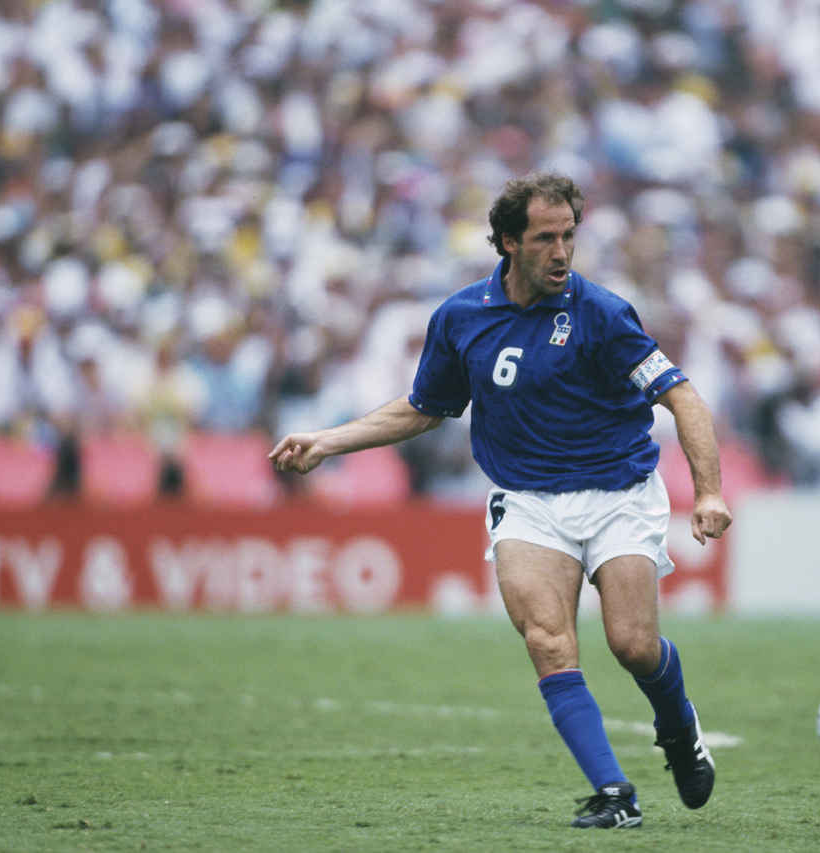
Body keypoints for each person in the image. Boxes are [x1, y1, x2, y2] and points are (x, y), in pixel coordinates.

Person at [270, 172, 732, 828]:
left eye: (569, 235)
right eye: (545, 238)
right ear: (508, 243)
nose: (562, 251)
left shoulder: (600, 312)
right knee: (547, 639)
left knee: (631, 643)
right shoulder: (461, 318)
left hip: (617, 491)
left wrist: (708, 490)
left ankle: (678, 728)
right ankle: (613, 794)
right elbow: (424, 408)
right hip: (526, 500)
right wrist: (328, 441)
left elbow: (680, 394)